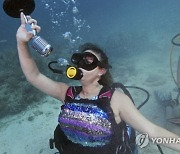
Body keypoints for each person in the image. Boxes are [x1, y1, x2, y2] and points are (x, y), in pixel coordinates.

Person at [16, 12, 180, 154]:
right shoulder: (66, 93)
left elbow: (153, 131)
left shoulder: (116, 100)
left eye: (88, 61)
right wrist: (21, 42)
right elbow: (33, 76)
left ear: (101, 70)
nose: (81, 65)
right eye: (79, 60)